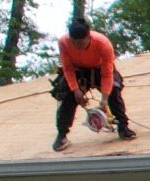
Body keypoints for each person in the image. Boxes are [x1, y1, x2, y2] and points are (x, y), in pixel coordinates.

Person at [51, 14, 136, 149]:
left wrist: (104, 98)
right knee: (67, 96)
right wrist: (75, 89)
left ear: (89, 36)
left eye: (81, 42)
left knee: (114, 89)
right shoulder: (63, 42)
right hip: (78, 70)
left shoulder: (103, 43)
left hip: (99, 68)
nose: (78, 45)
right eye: (75, 42)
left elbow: (107, 73)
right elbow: (67, 68)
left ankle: (123, 126)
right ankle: (62, 134)